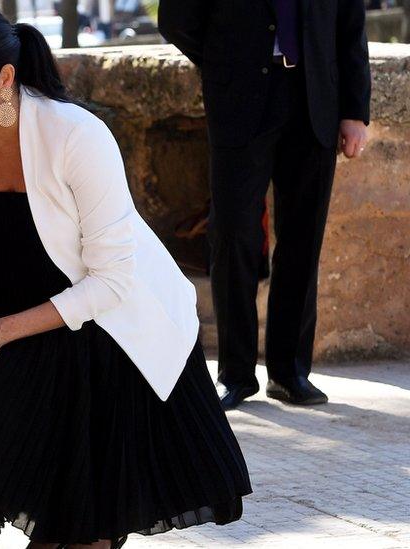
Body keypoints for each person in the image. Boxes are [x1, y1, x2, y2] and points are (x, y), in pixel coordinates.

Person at [0, 6, 252, 547]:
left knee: (77, 527)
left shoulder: (78, 135)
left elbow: (112, 282)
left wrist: (1, 332)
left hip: (99, 329)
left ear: (6, 78)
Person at [159, 0, 371, 410]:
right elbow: (176, 20)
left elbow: (350, 25)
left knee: (302, 239)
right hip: (240, 100)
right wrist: (228, 61)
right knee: (234, 234)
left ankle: (289, 372)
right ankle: (235, 373)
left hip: (315, 100)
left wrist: (355, 111)